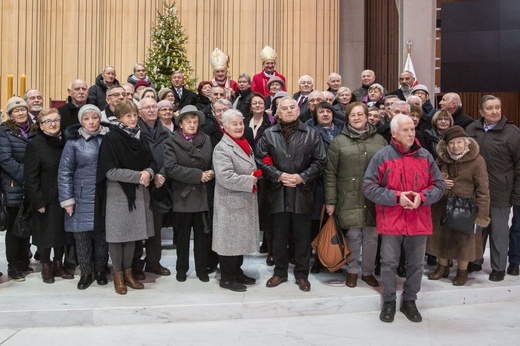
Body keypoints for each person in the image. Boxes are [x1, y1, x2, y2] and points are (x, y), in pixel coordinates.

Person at [363, 114, 445, 323]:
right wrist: (397, 197)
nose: (411, 134)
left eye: (412, 129)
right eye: (406, 130)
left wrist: (423, 196)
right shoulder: (382, 156)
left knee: (416, 264)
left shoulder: (425, 156)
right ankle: (389, 300)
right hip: (391, 218)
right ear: (394, 134)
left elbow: (439, 185)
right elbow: (369, 187)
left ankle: (410, 300)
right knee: (389, 262)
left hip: (419, 218)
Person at [255, 97, 327, 292]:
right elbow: (260, 159)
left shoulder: (312, 134)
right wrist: (279, 175)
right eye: (284, 108)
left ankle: (302, 275)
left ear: (298, 110)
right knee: (278, 236)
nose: (288, 111)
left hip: (302, 191)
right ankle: (279, 272)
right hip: (277, 192)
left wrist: (301, 177)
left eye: (291, 108)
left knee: (302, 237)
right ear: (278, 113)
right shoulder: (269, 134)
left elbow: (320, 161)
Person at [94, 100, 156, 295]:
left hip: (138, 193)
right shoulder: (111, 138)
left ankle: (129, 273)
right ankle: (118, 275)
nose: (132, 119)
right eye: (128, 115)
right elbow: (109, 171)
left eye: (135, 115)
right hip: (118, 194)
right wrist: (139, 176)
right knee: (117, 237)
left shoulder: (140, 137)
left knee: (132, 235)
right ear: (119, 118)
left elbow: (151, 161)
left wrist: (149, 172)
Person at [324, 102, 387, 287]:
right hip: (348, 196)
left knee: (372, 235)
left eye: (360, 114)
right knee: (353, 235)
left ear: (367, 116)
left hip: (374, 196)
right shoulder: (339, 141)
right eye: (353, 115)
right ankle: (352, 270)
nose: (357, 117)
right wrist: (331, 201)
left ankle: (367, 271)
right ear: (347, 118)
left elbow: (388, 169)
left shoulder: (380, 140)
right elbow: (330, 173)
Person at [426, 126, 490, 286]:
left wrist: (481, 215)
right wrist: (440, 180)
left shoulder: (477, 160)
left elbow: (483, 190)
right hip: (442, 205)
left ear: (466, 143)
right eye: (452, 143)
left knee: (464, 240)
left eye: (459, 142)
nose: (455, 146)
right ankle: (442, 267)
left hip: (466, 207)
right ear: (446, 145)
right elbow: (430, 178)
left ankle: (462, 272)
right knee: (440, 237)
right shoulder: (441, 159)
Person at [465, 95, 520, 281]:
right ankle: (476, 260)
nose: (495, 111)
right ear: (481, 111)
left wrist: (516, 193)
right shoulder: (471, 129)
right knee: (477, 228)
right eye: (490, 108)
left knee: (499, 232)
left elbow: (519, 165)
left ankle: (498, 267)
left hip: (500, 191)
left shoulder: (512, 132)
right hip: (476, 191)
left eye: (497, 107)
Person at [58, 105, 110, 290]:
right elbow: (65, 172)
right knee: (82, 236)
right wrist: (67, 199)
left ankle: (101, 270)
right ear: (81, 121)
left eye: (95, 118)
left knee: (102, 235)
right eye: (87, 119)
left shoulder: (109, 138)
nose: (92, 122)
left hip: (104, 193)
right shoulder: (73, 142)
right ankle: (86, 272)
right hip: (81, 195)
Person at [164, 105, 214, 283]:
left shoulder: (206, 139)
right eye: (188, 122)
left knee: (202, 237)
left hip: (201, 195)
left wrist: (211, 172)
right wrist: (198, 175)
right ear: (181, 124)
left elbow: (212, 160)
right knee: (182, 238)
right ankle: (181, 269)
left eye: (195, 122)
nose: (192, 125)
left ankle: (202, 270)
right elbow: (171, 168)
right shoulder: (172, 141)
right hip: (182, 196)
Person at [212, 109, 261, 292]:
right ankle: (227, 278)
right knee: (229, 242)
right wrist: (250, 179)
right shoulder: (222, 148)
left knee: (239, 241)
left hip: (243, 199)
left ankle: (237, 271)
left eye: (241, 123)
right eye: (234, 123)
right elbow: (225, 177)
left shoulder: (242, 142)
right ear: (224, 127)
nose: (239, 126)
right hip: (230, 202)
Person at [24, 108, 74, 284]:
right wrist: (38, 200)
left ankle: (58, 265)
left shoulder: (66, 142)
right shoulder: (35, 144)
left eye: (56, 120)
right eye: (48, 121)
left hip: (64, 195)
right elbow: (30, 176)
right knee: (45, 232)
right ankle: (46, 265)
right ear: (41, 125)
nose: (52, 124)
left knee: (61, 231)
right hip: (45, 196)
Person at [130, 97, 172, 280]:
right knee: (139, 227)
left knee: (155, 227)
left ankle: (153, 262)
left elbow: (171, 157)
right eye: (147, 107)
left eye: (154, 107)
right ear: (139, 112)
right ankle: (136, 264)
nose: (152, 110)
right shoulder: (134, 132)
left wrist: (162, 173)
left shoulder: (166, 133)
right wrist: (150, 174)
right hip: (142, 184)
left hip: (160, 185)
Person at [0, 97, 39, 282]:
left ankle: (24, 261)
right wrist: (28, 176)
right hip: (14, 185)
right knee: (14, 228)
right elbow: (6, 160)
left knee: (27, 225)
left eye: (23, 110)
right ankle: (13, 266)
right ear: (10, 115)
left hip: (31, 185)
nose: (21, 113)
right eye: (16, 111)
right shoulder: (4, 132)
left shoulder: (34, 130)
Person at [305, 102, 345, 273]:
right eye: (321, 112)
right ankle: (318, 259)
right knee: (318, 222)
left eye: (328, 111)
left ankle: (337, 256)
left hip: (340, 181)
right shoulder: (310, 132)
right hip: (318, 183)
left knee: (339, 222)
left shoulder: (342, 129)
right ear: (316, 116)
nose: (325, 114)